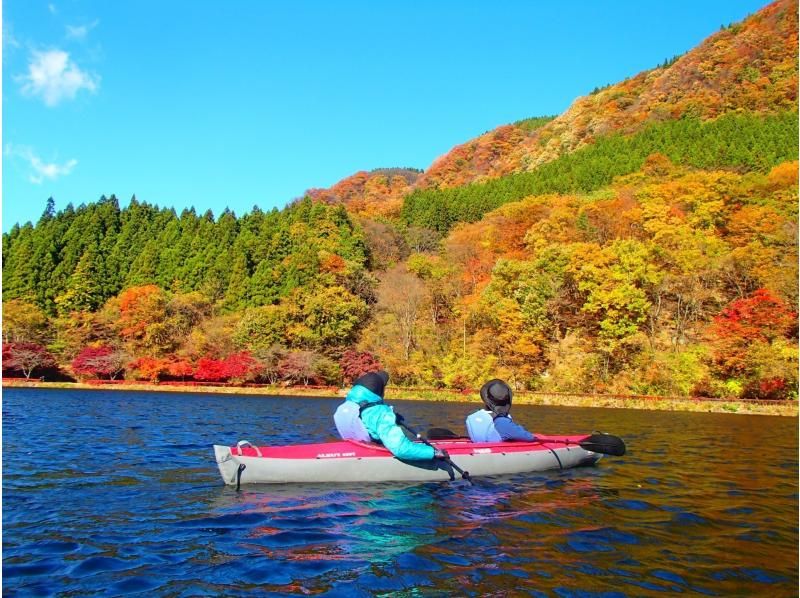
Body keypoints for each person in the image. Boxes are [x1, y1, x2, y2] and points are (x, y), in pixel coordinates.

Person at [334, 370, 448, 461]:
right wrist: (433, 452)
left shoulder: (349, 407)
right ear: (378, 391)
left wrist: (393, 420)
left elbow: (368, 427)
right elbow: (401, 449)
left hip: (359, 450)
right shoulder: (381, 413)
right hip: (375, 456)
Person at [465, 379, 536, 442]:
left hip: (479, 450)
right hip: (495, 452)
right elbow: (530, 437)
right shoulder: (502, 422)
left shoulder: (472, 416)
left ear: (487, 398)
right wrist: (518, 427)